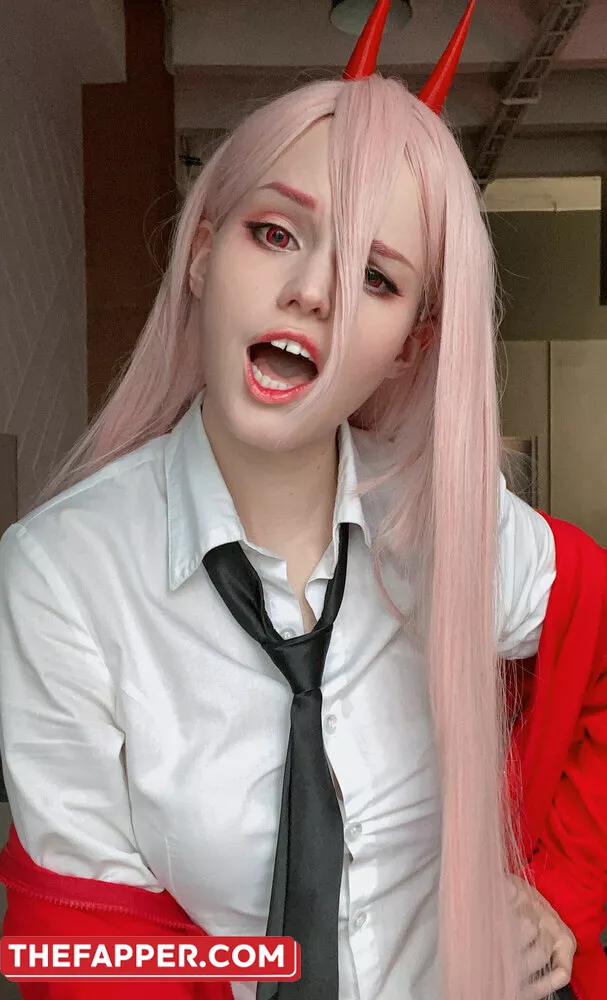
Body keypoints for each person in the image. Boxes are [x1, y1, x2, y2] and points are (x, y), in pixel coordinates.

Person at [0, 2, 605, 1000]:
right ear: (202, 253)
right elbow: (88, 940)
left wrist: (559, 889)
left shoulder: (453, 525)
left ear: (410, 344)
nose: (313, 292)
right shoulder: (61, 574)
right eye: (276, 232)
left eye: (376, 277)